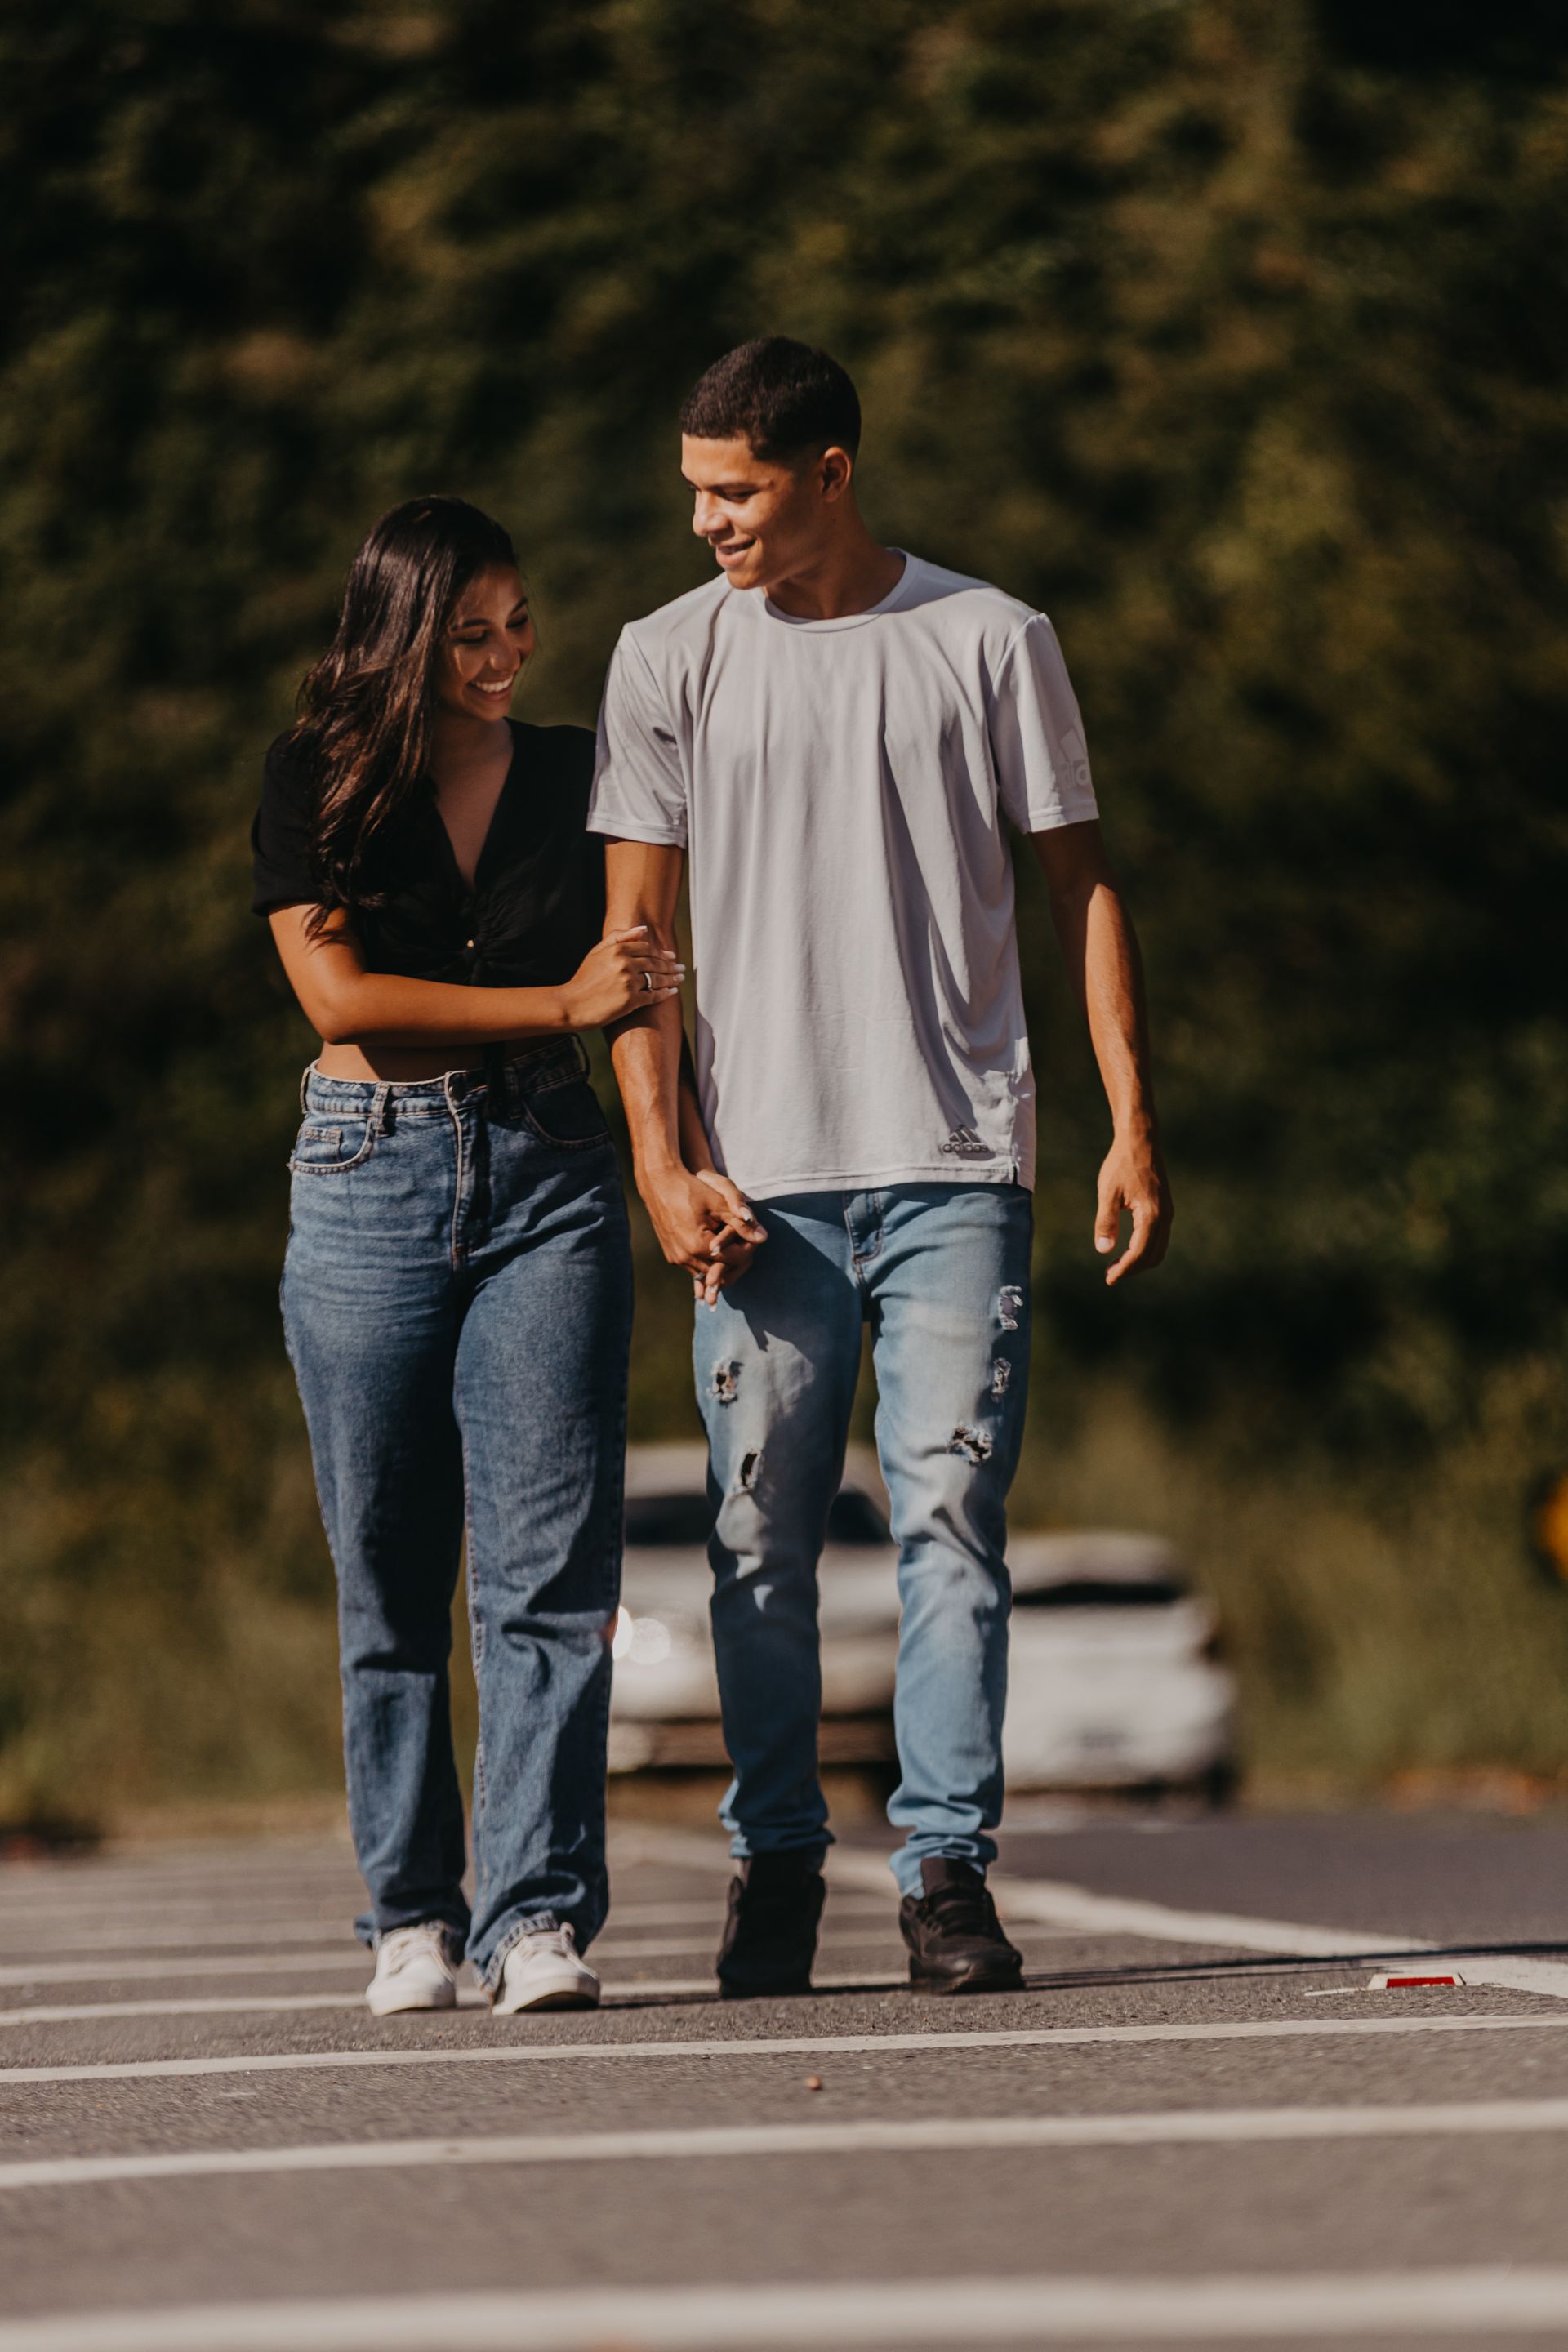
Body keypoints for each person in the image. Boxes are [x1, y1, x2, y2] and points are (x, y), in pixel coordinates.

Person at [590, 339, 1172, 1998]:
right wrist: (662, 1162)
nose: (707, 521)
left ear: (832, 472)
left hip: (954, 1165)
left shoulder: (992, 641)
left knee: (949, 1517)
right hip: (756, 1188)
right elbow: (636, 943)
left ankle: (944, 1874)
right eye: (693, 491)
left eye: (739, 490)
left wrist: (1129, 1118)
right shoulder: (665, 658)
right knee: (760, 1539)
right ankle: (777, 1862)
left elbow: (1085, 890)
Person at [252, 497, 681, 2015]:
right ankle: (411, 1917)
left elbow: (643, 965)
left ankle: (535, 1920)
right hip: (367, 1174)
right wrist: (561, 1004)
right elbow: (342, 1001)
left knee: (549, 1577)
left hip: (547, 1178)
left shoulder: (580, 770)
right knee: (389, 1572)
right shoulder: (316, 776)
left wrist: (654, 1128)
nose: (506, 654)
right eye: (473, 630)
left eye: (518, 624)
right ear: (404, 630)